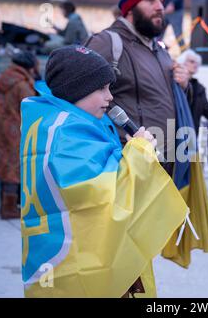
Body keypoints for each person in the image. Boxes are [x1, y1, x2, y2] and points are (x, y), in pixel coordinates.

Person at [20, 45, 188, 298]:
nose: (110, 97)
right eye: (101, 88)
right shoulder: (67, 134)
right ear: (75, 90)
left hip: (73, 258)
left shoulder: (62, 124)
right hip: (81, 263)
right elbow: (103, 194)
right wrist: (140, 152)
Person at [86, 0, 208, 269]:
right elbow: (77, 93)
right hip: (125, 169)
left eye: (161, 0)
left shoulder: (159, 51)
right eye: (150, 0)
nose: (160, 6)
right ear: (129, 8)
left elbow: (165, 102)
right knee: (114, 253)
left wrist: (184, 85)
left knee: (138, 257)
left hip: (156, 168)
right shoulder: (108, 42)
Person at [0, 50, 37, 219]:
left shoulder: (6, 78)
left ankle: (5, 205)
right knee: (14, 169)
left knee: (6, 166)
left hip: (3, 127)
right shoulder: (22, 84)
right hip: (17, 130)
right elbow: (31, 108)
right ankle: (9, 208)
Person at [177, 49, 208, 137]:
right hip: (173, 134)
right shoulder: (174, 84)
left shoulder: (199, 88)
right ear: (182, 62)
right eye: (192, 61)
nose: (195, 65)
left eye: (197, 63)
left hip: (191, 136)